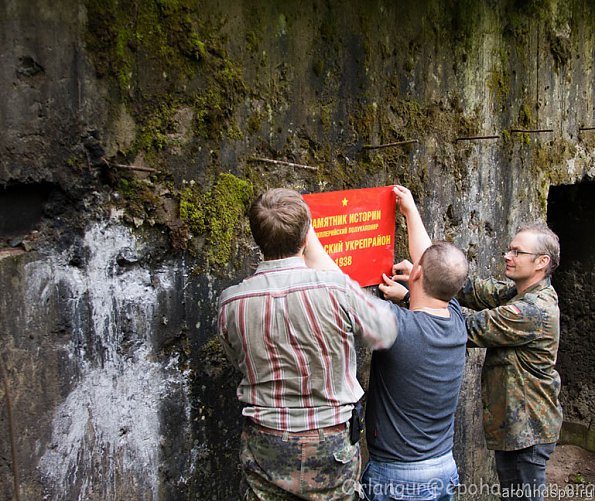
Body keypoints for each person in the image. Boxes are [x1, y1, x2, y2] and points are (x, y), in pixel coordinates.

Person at [217, 187, 399, 500]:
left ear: (257, 239)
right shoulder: (335, 288)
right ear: (306, 237)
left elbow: (238, 359)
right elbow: (386, 331)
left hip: (266, 440)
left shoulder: (232, 302)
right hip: (330, 441)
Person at [361, 185, 469, 501]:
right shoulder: (457, 320)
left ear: (416, 272)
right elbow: (433, 265)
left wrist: (306, 230)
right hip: (443, 469)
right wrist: (410, 210)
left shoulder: (398, 325)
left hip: (397, 478)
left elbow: (343, 292)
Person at [458, 223, 562, 501]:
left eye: (517, 252)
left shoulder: (532, 310)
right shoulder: (521, 293)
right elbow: (476, 292)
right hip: (518, 430)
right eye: (509, 249)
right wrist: (425, 274)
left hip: (527, 431)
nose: (507, 255)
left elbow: (467, 329)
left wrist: (412, 297)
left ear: (542, 262)